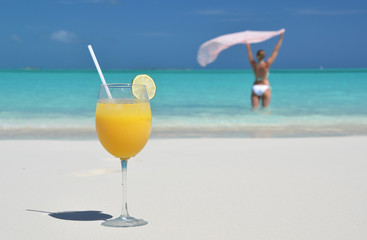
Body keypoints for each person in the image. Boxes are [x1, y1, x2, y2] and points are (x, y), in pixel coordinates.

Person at [246, 33, 284, 109]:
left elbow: (249, 52)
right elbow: (276, 51)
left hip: (255, 87)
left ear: (256, 56)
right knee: (265, 111)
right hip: (265, 87)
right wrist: (281, 37)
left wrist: (247, 43)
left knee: (254, 111)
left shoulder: (253, 64)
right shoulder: (267, 64)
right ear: (264, 56)